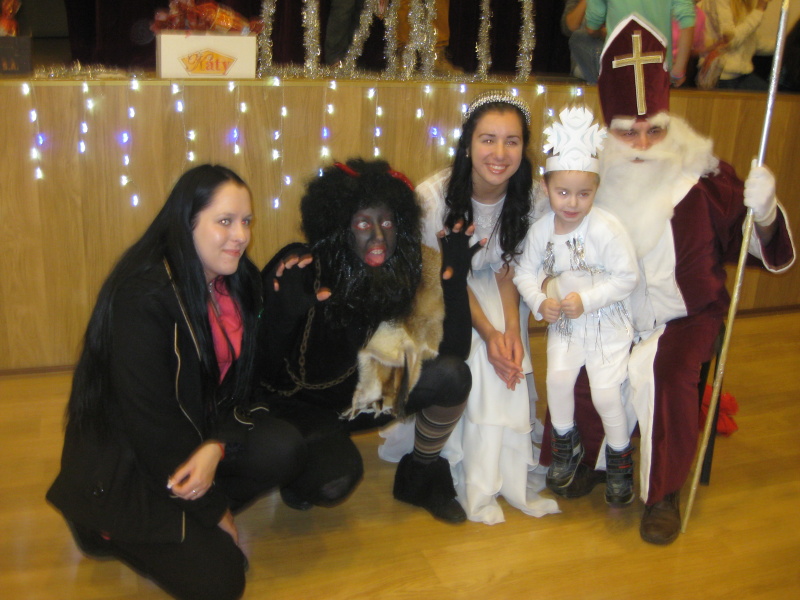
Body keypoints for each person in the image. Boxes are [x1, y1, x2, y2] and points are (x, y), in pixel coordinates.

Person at [545, 14, 795, 545]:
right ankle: (591, 459)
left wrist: (766, 212)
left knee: (663, 371)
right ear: (608, 132)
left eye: (654, 129)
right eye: (627, 132)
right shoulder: (586, 185)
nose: (642, 143)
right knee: (582, 359)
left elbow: (762, 249)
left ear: (669, 123)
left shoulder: (704, 180)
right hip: (608, 313)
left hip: (683, 318)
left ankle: (662, 494)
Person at [46, 165, 307, 599]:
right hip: (131, 464)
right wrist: (214, 510)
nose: (241, 235)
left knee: (284, 448)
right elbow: (151, 426)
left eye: (246, 221)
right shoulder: (143, 296)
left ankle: (185, 519)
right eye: (225, 221)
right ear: (186, 223)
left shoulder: (237, 281)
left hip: (190, 441)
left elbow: (244, 388)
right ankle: (102, 526)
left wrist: (217, 445)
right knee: (221, 583)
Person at [256, 158, 477, 524]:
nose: (378, 236)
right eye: (363, 223)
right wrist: (281, 317)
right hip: (304, 407)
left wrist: (454, 281)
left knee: (453, 376)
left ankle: (420, 474)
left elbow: (454, 354)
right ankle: (300, 466)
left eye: (387, 223)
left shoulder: (405, 270)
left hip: (363, 397)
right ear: (339, 225)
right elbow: (261, 372)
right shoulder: (301, 267)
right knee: (332, 482)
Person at [381, 90, 559, 524]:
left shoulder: (533, 197)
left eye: (512, 141)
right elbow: (443, 276)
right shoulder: (433, 198)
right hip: (442, 291)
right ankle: (451, 456)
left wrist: (510, 331)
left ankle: (499, 461)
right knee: (480, 352)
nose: (499, 153)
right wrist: (489, 334)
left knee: (509, 349)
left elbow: (511, 267)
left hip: (502, 286)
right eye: (487, 139)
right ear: (467, 144)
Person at [514, 106, 640, 507]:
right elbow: (524, 273)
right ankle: (566, 448)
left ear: (595, 190)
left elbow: (626, 277)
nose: (572, 203)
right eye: (563, 193)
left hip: (605, 324)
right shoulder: (541, 231)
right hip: (566, 326)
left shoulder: (605, 228)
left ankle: (619, 460)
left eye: (583, 194)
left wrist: (586, 300)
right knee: (557, 381)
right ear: (547, 187)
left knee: (605, 394)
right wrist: (540, 301)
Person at [585, 0, 696, 86]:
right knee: (656, 109)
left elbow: (592, 26)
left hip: (618, 65)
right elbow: (687, 20)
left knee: (617, 108)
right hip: (658, 68)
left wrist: (603, 32)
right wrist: (679, 69)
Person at [702, 0, 773, 90]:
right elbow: (729, 41)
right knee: (772, 96)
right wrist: (759, 9)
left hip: (739, 74)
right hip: (722, 75)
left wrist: (783, 46)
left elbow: (751, 42)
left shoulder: (743, 3)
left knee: (775, 94)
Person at [563, 0, 606, 84]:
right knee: (578, 36)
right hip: (585, 63)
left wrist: (599, 32)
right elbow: (570, 27)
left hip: (612, 53)